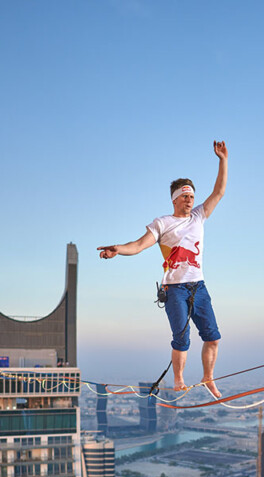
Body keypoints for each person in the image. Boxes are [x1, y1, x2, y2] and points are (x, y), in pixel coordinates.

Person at [98, 140, 228, 398]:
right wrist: (117, 250)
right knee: (182, 340)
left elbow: (219, 192)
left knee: (212, 337)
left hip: (199, 286)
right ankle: (178, 380)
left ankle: (208, 377)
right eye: (185, 196)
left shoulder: (199, 216)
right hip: (174, 290)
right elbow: (137, 245)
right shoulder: (162, 223)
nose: (190, 200)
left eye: (192, 196)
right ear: (175, 199)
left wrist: (223, 160)